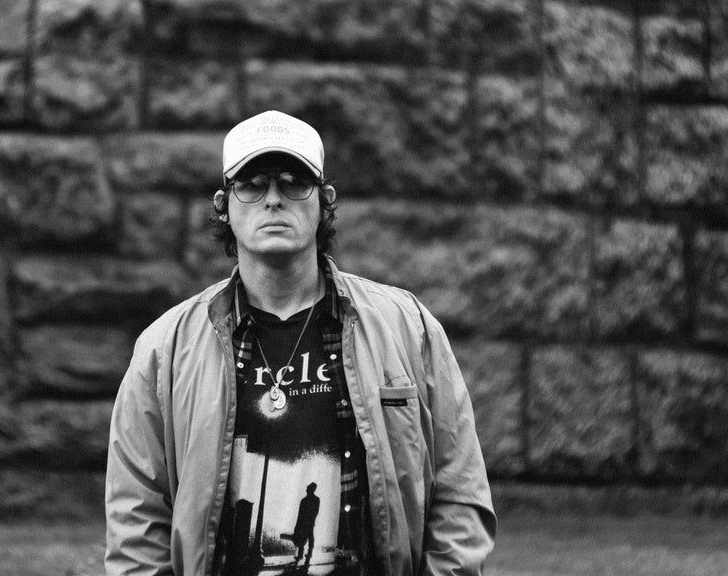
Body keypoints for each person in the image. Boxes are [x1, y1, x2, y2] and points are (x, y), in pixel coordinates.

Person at [105, 110, 496, 576]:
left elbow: (459, 492)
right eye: (252, 185)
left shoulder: (407, 327)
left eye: (294, 183)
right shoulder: (165, 350)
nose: (273, 199)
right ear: (224, 204)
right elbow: (138, 521)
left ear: (325, 201)